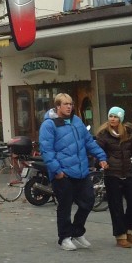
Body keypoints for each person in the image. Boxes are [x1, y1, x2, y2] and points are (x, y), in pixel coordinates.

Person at [38, 92, 108, 251]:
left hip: (81, 170)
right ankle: (64, 237)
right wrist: (57, 170)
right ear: (58, 106)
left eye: (70, 104)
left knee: (88, 201)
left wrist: (101, 156)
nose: (69, 107)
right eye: (65, 104)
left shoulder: (77, 121)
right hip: (63, 173)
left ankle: (76, 231)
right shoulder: (49, 125)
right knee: (65, 206)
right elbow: (46, 150)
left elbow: (88, 141)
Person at [95, 107, 132, 249]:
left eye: (116, 116)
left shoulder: (128, 133)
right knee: (116, 206)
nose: (112, 119)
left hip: (128, 173)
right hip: (112, 174)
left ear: (121, 118)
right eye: (110, 116)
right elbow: (98, 151)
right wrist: (101, 161)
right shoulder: (103, 134)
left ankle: (129, 230)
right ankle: (120, 236)